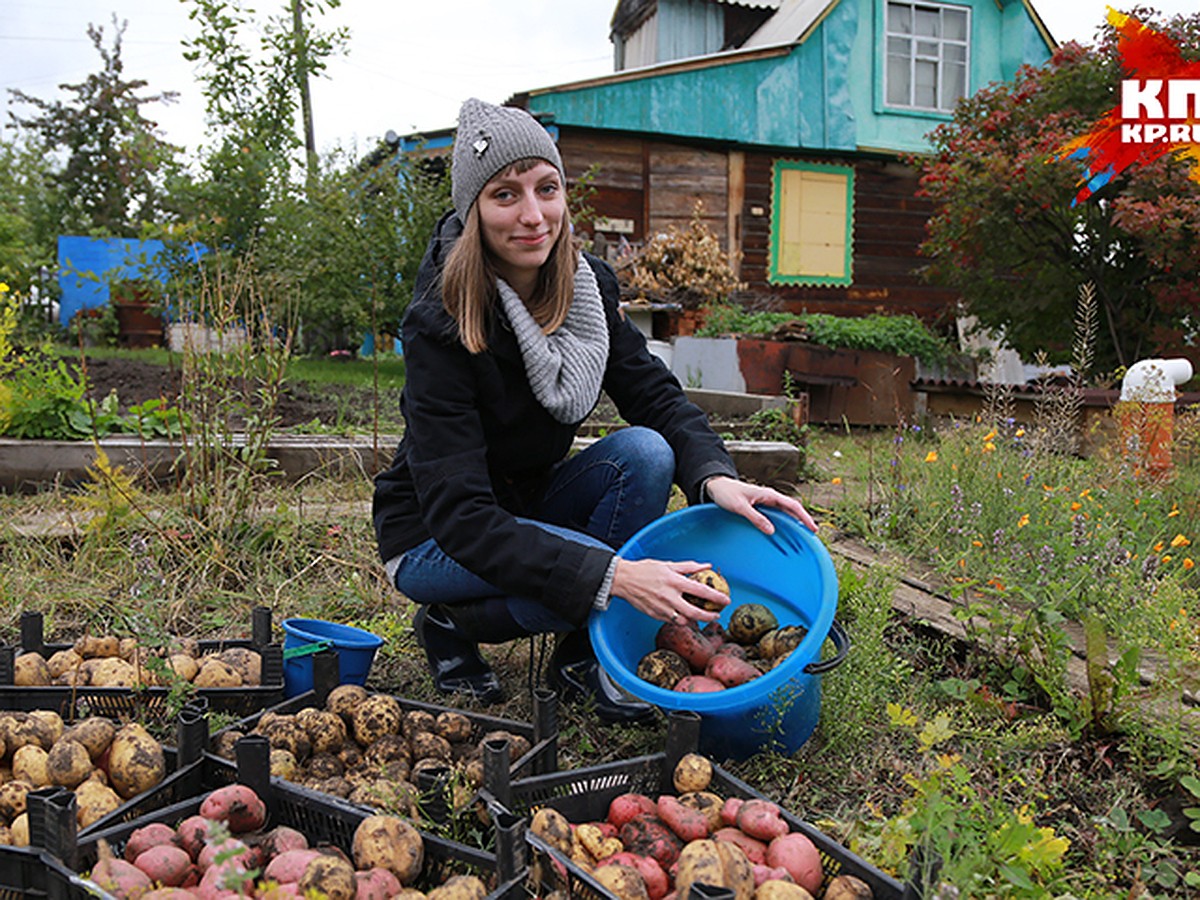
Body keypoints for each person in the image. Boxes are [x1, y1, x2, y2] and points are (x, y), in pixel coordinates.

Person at [373, 98, 816, 724]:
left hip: (524, 504)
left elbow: (653, 394)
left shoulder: (586, 289)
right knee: (591, 586)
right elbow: (462, 517)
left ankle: (581, 657)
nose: (533, 216)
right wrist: (611, 575)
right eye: (505, 195)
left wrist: (715, 475)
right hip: (434, 535)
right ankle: (448, 621)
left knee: (645, 452)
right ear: (473, 212)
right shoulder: (441, 322)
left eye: (546, 188)